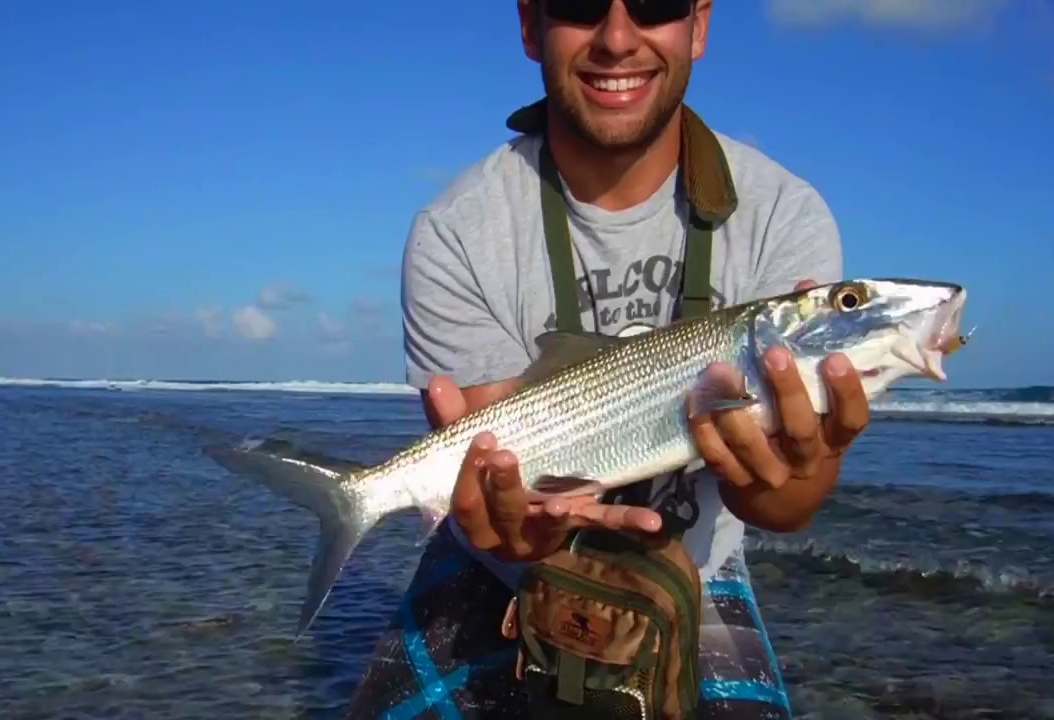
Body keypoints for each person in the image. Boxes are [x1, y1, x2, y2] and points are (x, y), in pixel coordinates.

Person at [345, 0, 871, 717]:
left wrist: (799, 468)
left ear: (700, 23)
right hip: (493, 566)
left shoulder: (785, 216)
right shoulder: (456, 232)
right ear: (531, 25)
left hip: (698, 566)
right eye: (579, 4)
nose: (617, 39)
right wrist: (509, 527)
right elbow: (497, 491)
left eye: (655, 4)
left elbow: (785, 504)